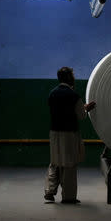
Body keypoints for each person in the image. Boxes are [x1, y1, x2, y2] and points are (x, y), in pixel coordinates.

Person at [44, 67, 96, 204]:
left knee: (55, 162)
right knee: (69, 164)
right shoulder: (74, 95)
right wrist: (87, 108)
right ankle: (68, 197)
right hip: (69, 133)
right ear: (69, 78)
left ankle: (49, 191)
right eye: (72, 75)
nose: (74, 77)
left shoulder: (52, 94)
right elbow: (81, 115)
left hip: (54, 132)